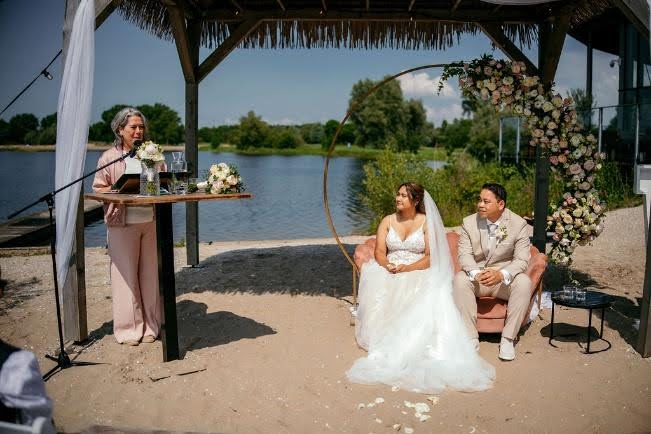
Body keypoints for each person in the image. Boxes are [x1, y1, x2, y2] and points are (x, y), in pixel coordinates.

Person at [347, 182, 495, 394]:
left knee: (428, 288)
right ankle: (385, 336)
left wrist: (408, 268)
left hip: (417, 268)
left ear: (416, 200)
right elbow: (379, 251)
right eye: (398, 194)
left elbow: (430, 256)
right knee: (379, 281)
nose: (398, 198)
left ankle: (414, 342)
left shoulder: (426, 222)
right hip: (391, 268)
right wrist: (388, 265)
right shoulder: (387, 221)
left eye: (403, 196)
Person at [92, 107, 161, 346]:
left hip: (150, 222)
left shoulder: (152, 153)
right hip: (122, 224)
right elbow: (98, 188)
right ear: (120, 130)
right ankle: (129, 329)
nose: (138, 131)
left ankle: (151, 326)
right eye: (133, 127)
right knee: (125, 279)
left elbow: (163, 182)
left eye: (141, 127)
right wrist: (119, 191)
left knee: (150, 277)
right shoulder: (109, 157)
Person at [453, 183, 531, 361]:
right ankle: (470, 337)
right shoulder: (468, 222)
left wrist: (501, 274)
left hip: (503, 280)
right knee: (460, 279)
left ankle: (508, 338)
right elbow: (464, 255)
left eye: (486, 201)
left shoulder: (518, 224)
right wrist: (475, 273)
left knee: (524, 282)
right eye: (479, 200)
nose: (480, 205)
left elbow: (521, 260)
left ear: (501, 204)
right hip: (478, 277)